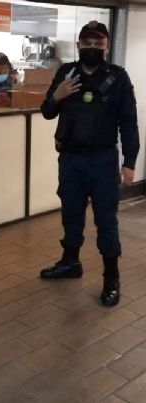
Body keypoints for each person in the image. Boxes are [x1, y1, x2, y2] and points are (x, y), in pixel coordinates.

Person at [39, 21, 139, 307]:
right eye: (87, 43)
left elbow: (129, 124)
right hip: (70, 159)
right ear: (79, 44)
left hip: (103, 160)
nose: (92, 49)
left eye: (98, 44)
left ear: (106, 47)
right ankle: (70, 263)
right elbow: (47, 112)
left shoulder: (118, 77)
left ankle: (111, 279)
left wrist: (129, 162)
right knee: (71, 212)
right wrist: (57, 96)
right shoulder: (66, 73)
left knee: (106, 220)